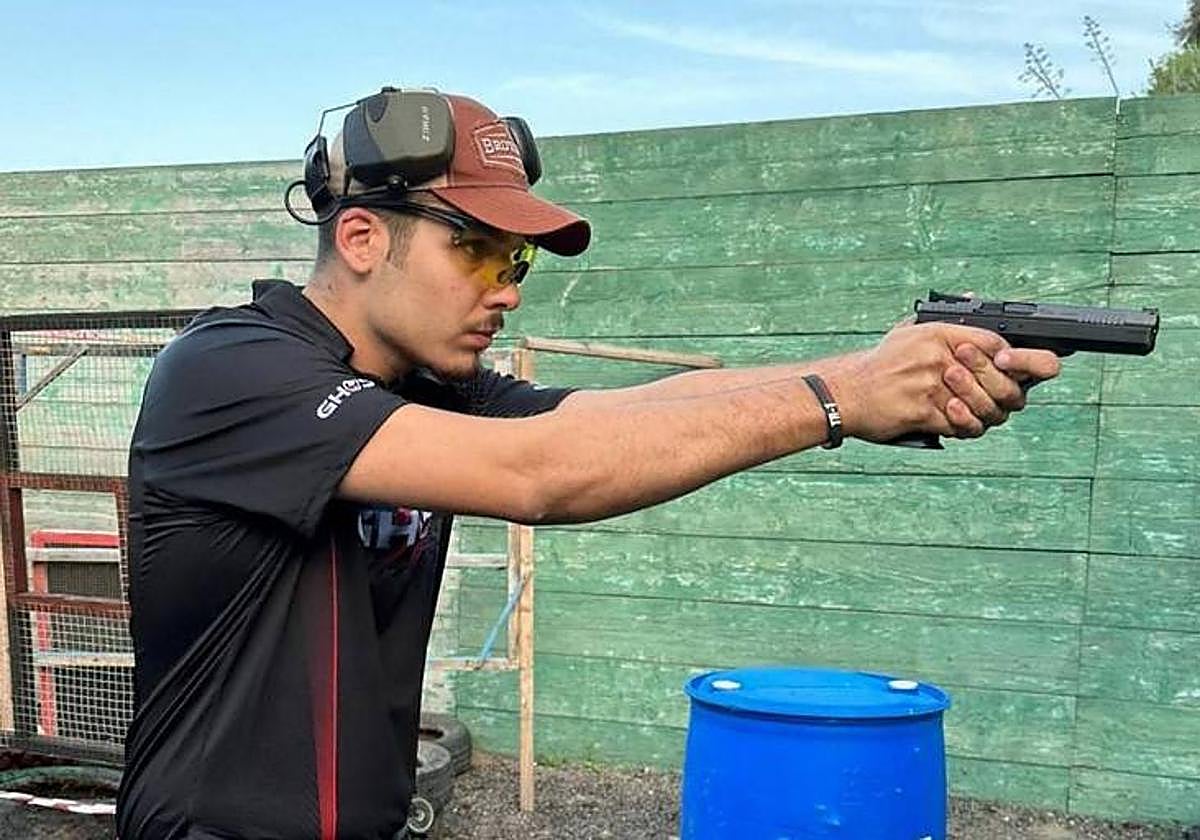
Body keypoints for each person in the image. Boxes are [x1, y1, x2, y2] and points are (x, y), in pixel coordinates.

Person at [115, 88, 1062, 840]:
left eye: (517, 264)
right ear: (361, 238)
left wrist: (866, 374)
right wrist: (837, 401)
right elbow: (544, 471)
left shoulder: (428, 383)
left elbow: (625, 412)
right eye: (478, 251)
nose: (506, 291)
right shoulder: (230, 370)